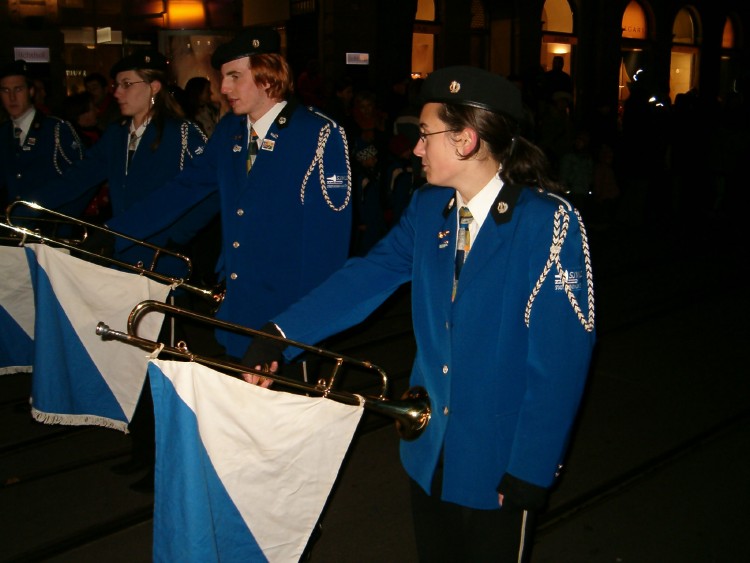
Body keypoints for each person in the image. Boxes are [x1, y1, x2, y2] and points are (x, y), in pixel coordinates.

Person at [242, 66, 596, 561]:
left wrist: (531, 468)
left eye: (425, 135)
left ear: (466, 140)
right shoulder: (430, 209)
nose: (415, 148)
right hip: (428, 448)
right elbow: (367, 276)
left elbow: (560, 362)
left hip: (497, 460)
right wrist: (281, 333)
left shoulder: (547, 222)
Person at [102, 27, 353, 361]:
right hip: (238, 307)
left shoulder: (318, 134)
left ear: (268, 76)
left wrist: (300, 328)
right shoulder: (231, 130)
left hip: (286, 318)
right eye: (223, 77)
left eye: (234, 76)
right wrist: (115, 233)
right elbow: (185, 188)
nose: (223, 88)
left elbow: (327, 247)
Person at [27, 49, 210, 275]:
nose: (117, 93)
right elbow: (79, 177)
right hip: (121, 256)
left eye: (126, 84)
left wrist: (177, 237)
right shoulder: (117, 133)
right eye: (116, 85)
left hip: (161, 260)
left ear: (154, 86)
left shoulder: (182, 132)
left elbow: (209, 192)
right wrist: (28, 205)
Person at [0, 60, 83, 210]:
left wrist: (63, 221)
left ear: (31, 91)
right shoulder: (4, 133)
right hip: (14, 221)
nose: (12, 97)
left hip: (50, 221)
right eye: (6, 91)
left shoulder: (55, 129)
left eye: (18, 89)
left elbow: (83, 177)